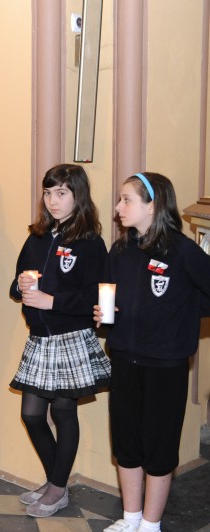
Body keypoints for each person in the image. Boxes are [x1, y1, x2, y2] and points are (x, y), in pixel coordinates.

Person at [95, 173, 210, 532]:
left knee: (159, 447)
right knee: (127, 443)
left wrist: (184, 316)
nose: (118, 208)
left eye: (126, 200)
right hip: (125, 358)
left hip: (166, 364)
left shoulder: (183, 250)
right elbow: (116, 297)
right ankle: (130, 518)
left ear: (153, 205)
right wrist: (105, 316)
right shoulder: (121, 250)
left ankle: (150, 524)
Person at [9, 164, 111, 518]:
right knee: (32, 414)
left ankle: (56, 488)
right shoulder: (37, 237)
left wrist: (53, 301)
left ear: (78, 196)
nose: (53, 200)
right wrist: (21, 286)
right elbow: (15, 285)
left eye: (62, 193)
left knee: (63, 411)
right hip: (40, 339)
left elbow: (98, 297)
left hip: (71, 338)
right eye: (48, 193)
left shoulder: (91, 243)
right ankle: (58, 480)